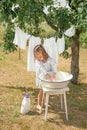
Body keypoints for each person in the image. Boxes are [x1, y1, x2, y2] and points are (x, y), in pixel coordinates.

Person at [33, 44, 57, 111]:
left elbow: (54, 65)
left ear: (44, 53)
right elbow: (43, 70)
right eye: (37, 56)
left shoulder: (49, 59)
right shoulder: (38, 62)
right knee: (41, 91)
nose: (38, 58)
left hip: (47, 78)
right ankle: (39, 104)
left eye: (40, 56)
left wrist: (54, 73)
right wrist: (50, 77)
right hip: (41, 78)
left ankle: (45, 102)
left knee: (46, 91)